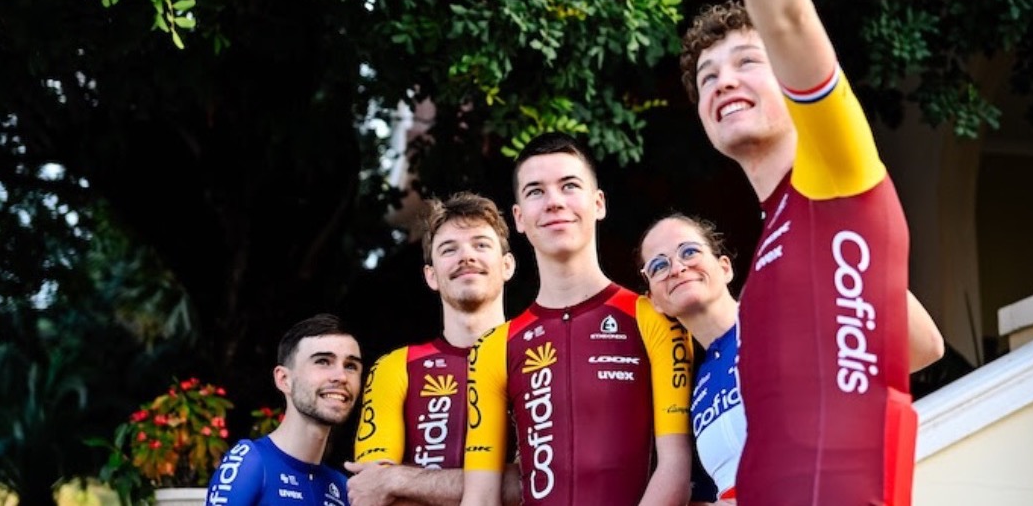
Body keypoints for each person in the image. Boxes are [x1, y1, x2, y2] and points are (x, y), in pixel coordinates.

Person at [678, 0, 924, 501]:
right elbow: (922, 344)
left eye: (747, 61)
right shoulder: (775, 242)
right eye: (707, 77)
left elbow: (786, 16)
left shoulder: (837, 169)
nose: (723, 81)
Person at [638, 214, 946, 504]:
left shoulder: (789, 319)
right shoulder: (696, 388)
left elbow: (923, 347)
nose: (677, 267)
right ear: (655, 303)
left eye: (689, 251)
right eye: (658, 265)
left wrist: (847, 237)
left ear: (725, 268)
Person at [461, 133, 693, 506]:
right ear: (519, 218)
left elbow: (676, 470)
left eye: (569, 186)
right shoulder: (492, 348)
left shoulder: (654, 317)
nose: (554, 202)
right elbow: (480, 498)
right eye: (536, 191)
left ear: (598, 203)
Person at [347, 193, 520, 506]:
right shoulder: (395, 366)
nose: (466, 257)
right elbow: (371, 493)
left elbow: (542, 480)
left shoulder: (539, 357)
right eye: (449, 249)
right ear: (431, 276)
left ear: (507, 266)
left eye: (481, 245)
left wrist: (399, 479)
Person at [206, 314, 361, 505]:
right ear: (284, 379)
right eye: (323, 361)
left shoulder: (341, 487)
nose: (342, 376)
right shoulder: (250, 461)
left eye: (351, 366)